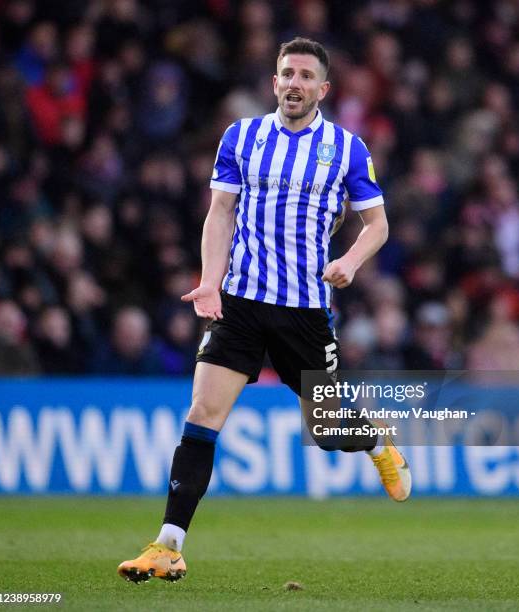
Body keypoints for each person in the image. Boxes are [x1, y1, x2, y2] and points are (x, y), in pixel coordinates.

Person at [117, 37, 411, 583]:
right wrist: (209, 283)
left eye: (305, 76)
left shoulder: (347, 149)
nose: (294, 83)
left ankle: (375, 439)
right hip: (242, 303)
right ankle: (167, 545)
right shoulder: (242, 136)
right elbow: (220, 212)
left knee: (324, 429)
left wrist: (349, 261)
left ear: (323, 89)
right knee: (202, 416)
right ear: (274, 82)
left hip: (305, 310)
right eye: (286, 73)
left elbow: (378, 224)